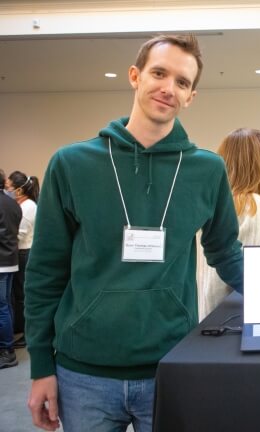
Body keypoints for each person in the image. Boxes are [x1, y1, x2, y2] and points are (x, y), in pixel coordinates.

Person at [25, 34, 243, 432]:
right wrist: (40, 365)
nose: (168, 88)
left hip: (170, 365)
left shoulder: (207, 170)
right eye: (159, 73)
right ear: (134, 76)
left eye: (181, 81)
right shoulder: (72, 164)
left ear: (191, 96)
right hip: (83, 374)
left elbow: (227, 252)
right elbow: (45, 271)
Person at [196, 128, 260, 320]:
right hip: (233, 308)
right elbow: (254, 267)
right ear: (254, 159)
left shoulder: (209, 199)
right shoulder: (254, 205)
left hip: (203, 304)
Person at [5, 171, 40, 350]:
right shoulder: (21, 204)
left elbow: (20, 234)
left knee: (23, 297)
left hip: (25, 253)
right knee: (18, 296)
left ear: (19, 190)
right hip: (20, 252)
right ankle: (21, 329)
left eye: (8, 187)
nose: (6, 190)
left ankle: (28, 334)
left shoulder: (28, 207)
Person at [0, 169, 22, 369]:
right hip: (10, 260)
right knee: (6, 304)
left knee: (2, 307)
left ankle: (7, 350)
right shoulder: (13, 203)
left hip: (2, 263)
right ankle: (7, 346)